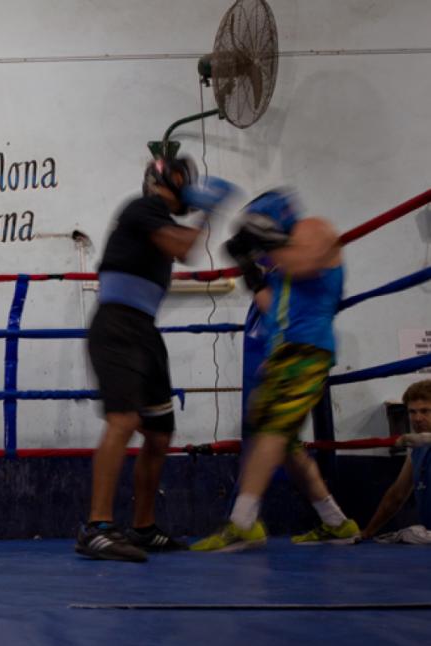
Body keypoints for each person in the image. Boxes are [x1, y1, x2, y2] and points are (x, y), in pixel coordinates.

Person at [76, 156, 236, 561]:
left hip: (143, 329)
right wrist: (209, 211)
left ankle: (143, 527)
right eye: (186, 182)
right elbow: (185, 250)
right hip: (117, 327)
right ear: (170, 181)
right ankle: (96, 528)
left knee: (159, 433)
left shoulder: (159, 217)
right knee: (125, 420)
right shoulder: (143, 206)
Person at [192, 189, 360, 552]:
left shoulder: (313, 229)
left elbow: (308, 263)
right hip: (287, 350)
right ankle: (336, 523)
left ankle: (242, 523)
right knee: (283, 441)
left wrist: (263, 239)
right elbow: (273, 307)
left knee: (271, 430)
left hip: (308, 348)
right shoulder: (283, 263)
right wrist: (251, 273)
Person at [358, 379, 431, 543]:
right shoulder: (416, 448)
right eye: (412, 412)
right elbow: (397, 495)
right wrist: (368, 531)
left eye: (425, 411)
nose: (418, 418)